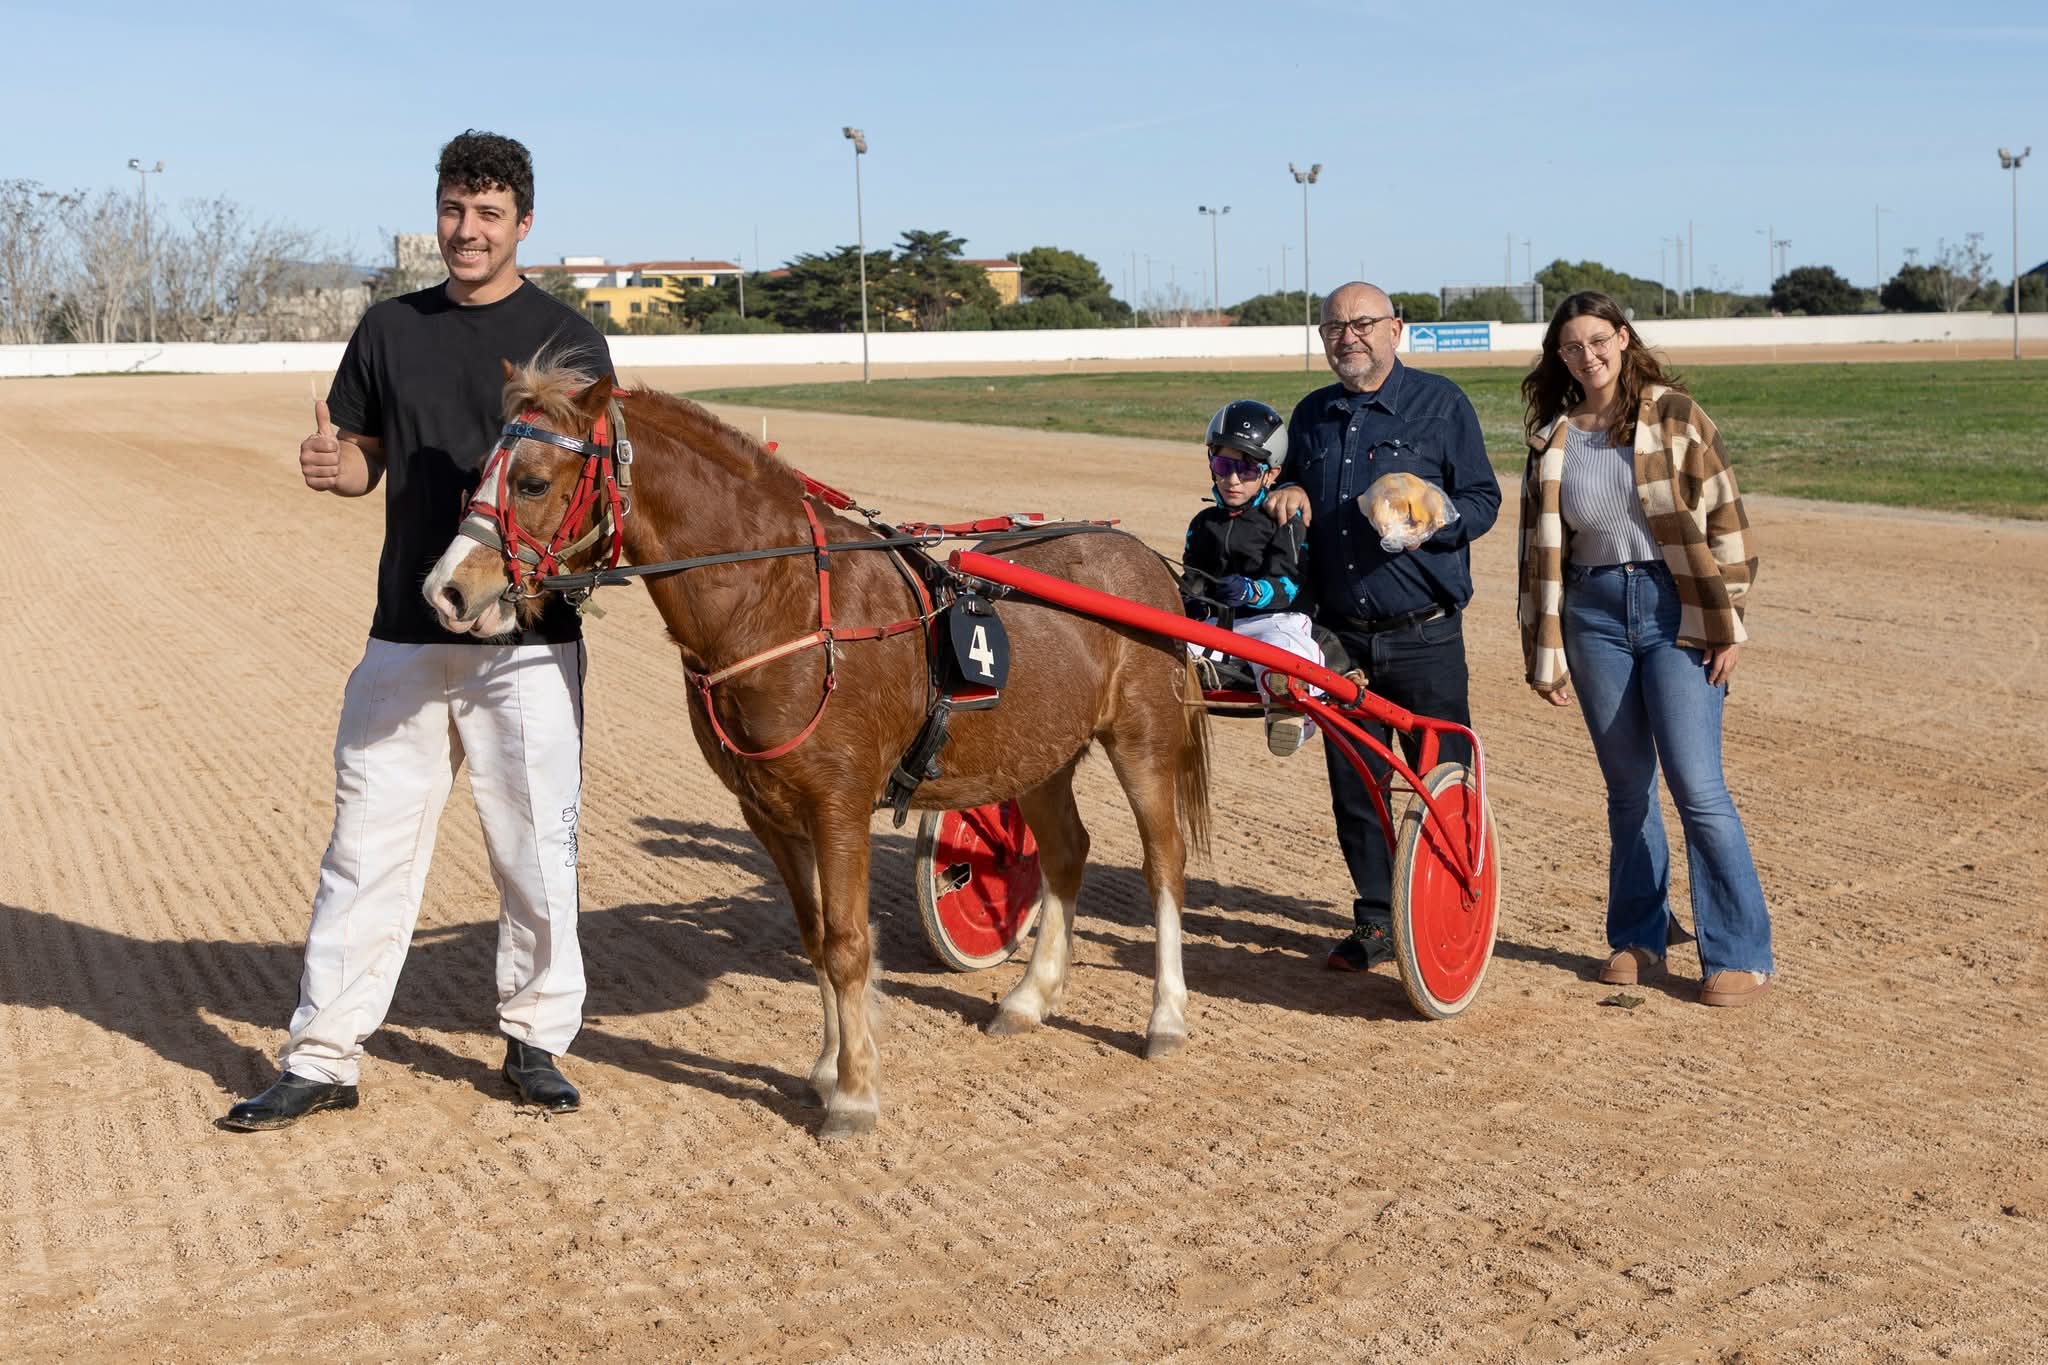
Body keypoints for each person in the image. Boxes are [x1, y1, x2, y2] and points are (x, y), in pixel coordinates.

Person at [223, 131, 614, 1131]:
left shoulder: (568, 343)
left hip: (524, 644)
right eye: (452, 209)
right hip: (402, 634)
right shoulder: (388, 327)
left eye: (487, 214)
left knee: (534, 855)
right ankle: (322, 1055)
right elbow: (362, 459)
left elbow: (589, 500)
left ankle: (536, 1041)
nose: (465, 230)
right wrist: (335, 466)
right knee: (364, 852)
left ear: (523, 225)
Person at [1516, 290, 1773, 1007]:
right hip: (1592, 613)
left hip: (1676, 607)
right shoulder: (1555, 434)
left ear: (1623, 338)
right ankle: (1638, 935)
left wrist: (1730, 621)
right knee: (1627, 788)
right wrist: (1545, 645)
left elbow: (1728, 521)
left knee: (1697, 785)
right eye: (1571, 346)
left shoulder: (1674, 414)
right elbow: (1535, 553)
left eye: (1598, 340)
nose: (1587, 356)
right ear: (1558, 356)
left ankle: (1741, 952)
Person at [1265, 282, 1502, 972]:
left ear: (1396, 329)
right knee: (1356, 781)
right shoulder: (1310, 415)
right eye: (1335, 327)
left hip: (1424, 632)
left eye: (1363, 323)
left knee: (1440, 780)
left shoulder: (1441, 404)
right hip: (1338, 636)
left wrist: (1434, 517)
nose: (1349, 337)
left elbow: (1482, 499)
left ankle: (1447, 906)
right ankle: (1376, 919)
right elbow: (1284, 488)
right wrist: (1291, 490)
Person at [1180, 399, 1326, 757]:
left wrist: (1251, 591)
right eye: (1222, 464)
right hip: (1217, 625)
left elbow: (1290, 584)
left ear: (1271, 473)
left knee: (1286, 653)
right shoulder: (1202, 524)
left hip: (1273, 620)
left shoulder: (1283, 520)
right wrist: (1191, 600)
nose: (1231, 479)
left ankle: (1289, 714)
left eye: (1245, 470)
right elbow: (1192, 580)